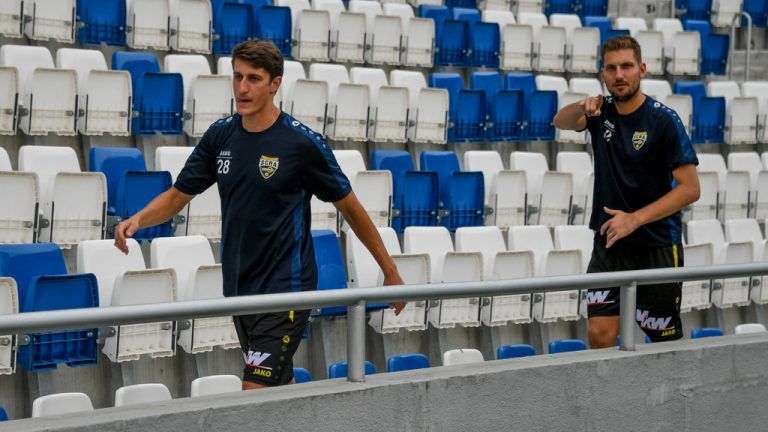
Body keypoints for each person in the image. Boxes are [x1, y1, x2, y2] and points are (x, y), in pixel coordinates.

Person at [113, 40, 405, 388]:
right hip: (240, 287)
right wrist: (138, 220)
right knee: (276, 389)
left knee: (254, 391)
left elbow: (352, 210)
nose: (242, 87)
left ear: (275, 84)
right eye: (237, 77)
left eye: (253, 78)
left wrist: (390, 272)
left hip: (286, 290)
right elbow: (178, 196)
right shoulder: (221, 136)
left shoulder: (301, 144)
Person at [553, 35, 700, 348]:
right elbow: (560, 121)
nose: (619, 74)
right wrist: (581, 105)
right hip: (609, 242)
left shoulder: (664, 121)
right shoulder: (599, 113)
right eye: (611, 68)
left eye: (626, 66)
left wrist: (634, 219)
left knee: (663, 343)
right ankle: (607, 399)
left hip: (657, 244)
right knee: (599, 335)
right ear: (603, 74)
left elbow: (690, 190)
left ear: (642, 69)